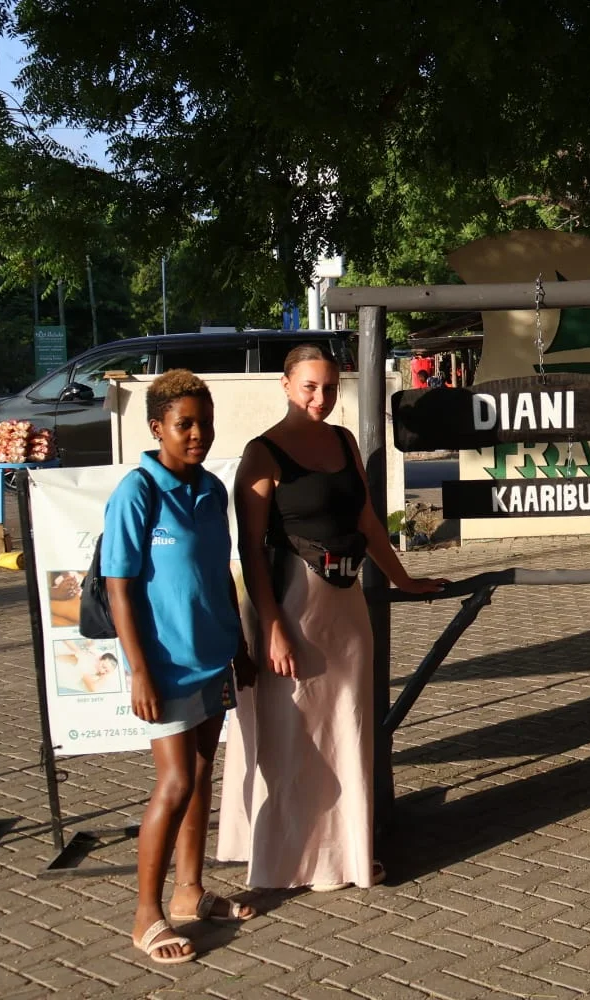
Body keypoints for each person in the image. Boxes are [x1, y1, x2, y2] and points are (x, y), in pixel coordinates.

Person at [218, 344, 446, 891]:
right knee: (291, 732)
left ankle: (345, 855)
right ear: (285, 384)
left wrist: (403, 578)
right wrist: (271, 625)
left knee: (348, 725)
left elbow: (366, 521)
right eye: (309, 387)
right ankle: (285, 858)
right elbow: (250, 548)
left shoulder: (344, 441)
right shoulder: (262, 453)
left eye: (329, 388)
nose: (320, 398)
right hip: (290, 604)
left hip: (345, 608)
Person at [102, 369, 258, 966]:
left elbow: (220, 574)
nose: (197, 434)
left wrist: (239, 647)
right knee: (174, 784)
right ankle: (146, 914)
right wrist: (139, 671)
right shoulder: (138, 491)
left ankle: (190, 891)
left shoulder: (212, 490)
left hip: (213, 657)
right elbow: (119, 587)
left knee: (199, 773)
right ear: (156, 427)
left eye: (205, 424)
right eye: (184, 424)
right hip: (164, 666)